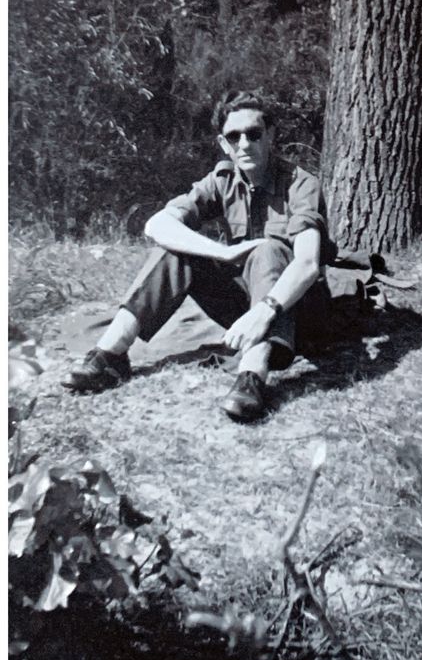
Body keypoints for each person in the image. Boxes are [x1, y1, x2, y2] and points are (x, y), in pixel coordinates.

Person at [62, 90, 329, 420]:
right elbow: (157, 224)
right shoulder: (222, 180)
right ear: (223, 143)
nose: (244, 143)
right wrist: (223, 252)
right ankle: (111, 354)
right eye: (234, 136)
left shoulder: (301, 184)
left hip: (296, 310)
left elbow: (307, 263)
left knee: (270, 249)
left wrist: (263, 311)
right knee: (177, 249)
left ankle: (251, 377)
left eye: (254, 133)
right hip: (246, 309)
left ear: (270, 135)